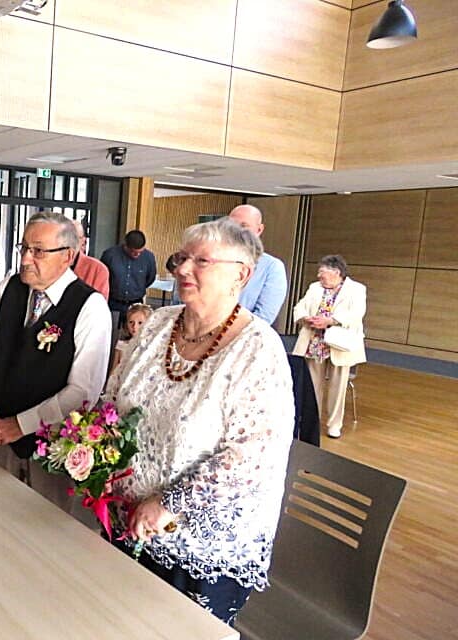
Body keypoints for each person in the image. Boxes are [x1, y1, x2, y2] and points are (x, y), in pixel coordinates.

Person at [104, 218, 293, 626]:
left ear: (241, 274)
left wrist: (166, 505)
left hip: (196, 549)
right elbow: (113, 397)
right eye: (181, 259)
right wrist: (99, 456)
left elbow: (249, 458)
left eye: (201, 261)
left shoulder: (259, 350)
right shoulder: (156, 324)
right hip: (124, 518)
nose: (183, 270)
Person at [0, 212, 112, 508]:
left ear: (68, 256)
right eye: (23, 248)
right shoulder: (8, 289)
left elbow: (83, 391)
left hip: (53, 449)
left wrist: (21, 425)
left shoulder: (90, 307)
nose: (25, 259)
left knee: (42, 530)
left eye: (38, 251)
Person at [292, 255, 367, 439]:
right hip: (314, 342)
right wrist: (306, 318)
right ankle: (312, 422)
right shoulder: (314, 288)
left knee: (337, 387)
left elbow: (356, 315)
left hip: (339, 345)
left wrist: (330, 321)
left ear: (336, 273)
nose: (319, 275)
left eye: (322, 272)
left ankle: (334, 425)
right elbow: (299, 307)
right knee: (312, 386)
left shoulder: (356, 289)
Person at [227, 204, 287, 324]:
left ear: (259, 230)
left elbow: (263, 318)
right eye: (232, 225)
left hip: (243, 336)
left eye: (244, 226)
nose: (236, 231)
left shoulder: (272, 267)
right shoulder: (212, 260)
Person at [101, 229, 157, 320]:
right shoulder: (110, 255)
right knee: (112, 330)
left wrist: (137, 288)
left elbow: (150, 278)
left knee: (135, 331)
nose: (137, 254)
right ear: (125, 246)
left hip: (136, 302)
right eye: (134, 252)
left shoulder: (148, 257)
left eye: (140, 252)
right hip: (113, 301)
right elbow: (102, 277)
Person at [71, 218, 110, 299]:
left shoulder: (98, 269)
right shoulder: (47, 264)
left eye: (74, 238)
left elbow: (98, 306)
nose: (69, 243)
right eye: (64, 238)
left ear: (83, 242)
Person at [110, 303, 152, 373]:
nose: (134, 326)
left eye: (140, 323)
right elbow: (114, 370)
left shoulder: (150, 346)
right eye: (131, 322)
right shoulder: (121, 345)